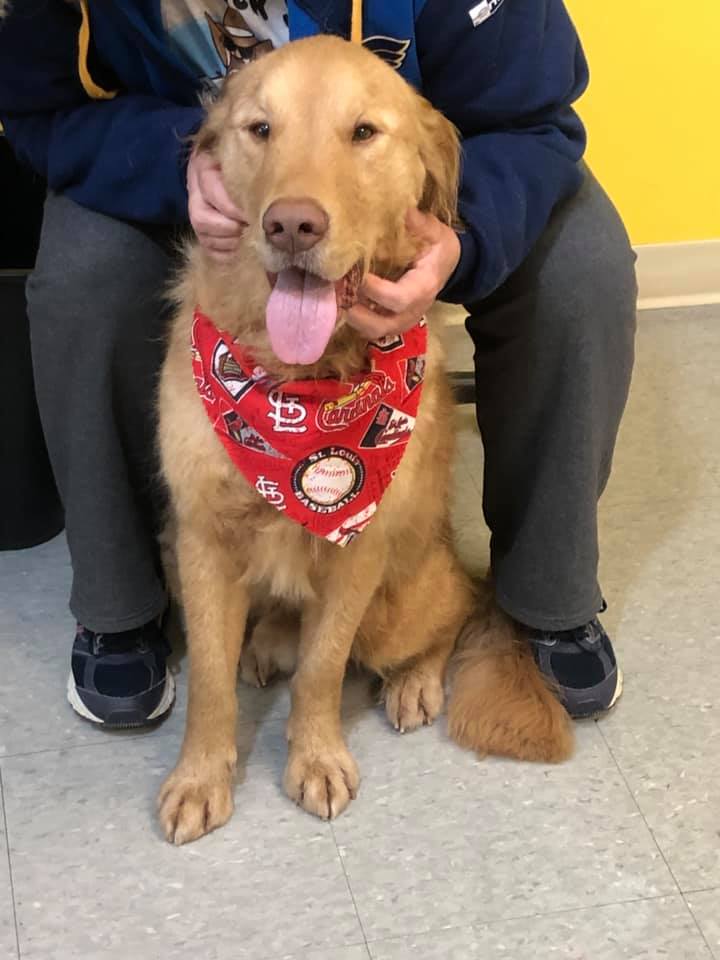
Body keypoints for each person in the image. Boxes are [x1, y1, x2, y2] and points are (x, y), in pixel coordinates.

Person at [0, 0, 636, 727]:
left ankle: (547, 598)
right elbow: (39, 110)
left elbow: (533, 119)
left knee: (582, 268)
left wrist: (468, 238)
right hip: (180, 157)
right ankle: (119, 610)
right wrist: (184, 163)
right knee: (82, 280)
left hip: (418, 179)